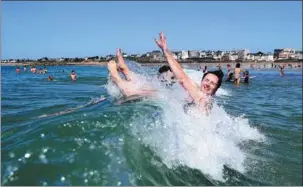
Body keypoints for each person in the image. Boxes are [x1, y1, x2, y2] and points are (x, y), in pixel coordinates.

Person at [154, 32, 223, 112]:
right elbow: (183, 76)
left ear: (215, 90)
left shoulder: (201, 97)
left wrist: (165, 51)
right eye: (206, 80)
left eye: (212, 83)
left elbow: (183, 78)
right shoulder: (208, 99)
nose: (207, 84)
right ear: (202, 81)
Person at [108, 49, 176, 98]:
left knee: (135, 79)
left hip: (152, 82)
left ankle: (123, 67)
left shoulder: (161, 77)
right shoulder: (169, 84)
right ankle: (116, 75)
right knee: (130, 92)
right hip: (157, 87)